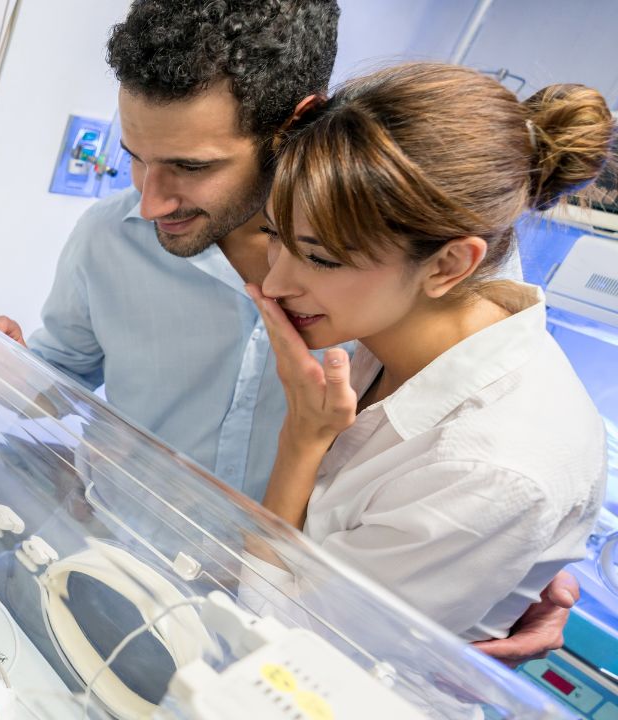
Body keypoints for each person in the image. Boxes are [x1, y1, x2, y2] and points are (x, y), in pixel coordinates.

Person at [0, 0, 577, 663]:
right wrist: (1, 366)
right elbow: (55, 378)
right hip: (113, 569)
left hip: (260, 653)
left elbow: (485, 461)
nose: (149, 200)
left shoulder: (421, 274)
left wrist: (494, 561)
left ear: (296, 122)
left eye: (193, 166)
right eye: (135, 158)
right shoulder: (107, 239)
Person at [248, 62, 611, 639]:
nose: (273, 284)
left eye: (320, 257)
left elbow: (282, 632)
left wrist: (301, 443)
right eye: (275, 236)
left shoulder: (491, 464)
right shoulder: (395, 330)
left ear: (448, 264)